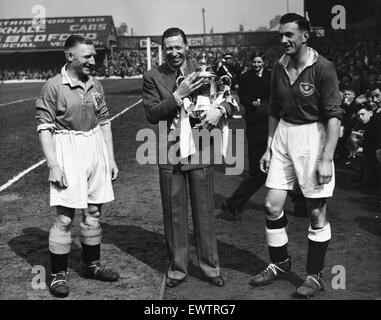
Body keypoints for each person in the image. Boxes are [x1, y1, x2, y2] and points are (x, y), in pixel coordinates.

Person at [249, 13, 343, 298]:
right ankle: (280, 263)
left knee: (316, 211)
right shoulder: (279, 66)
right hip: (283, 135)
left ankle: (315, 276)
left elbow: (334, 118)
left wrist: (326, 158)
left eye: (289, 34)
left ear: (305, 35)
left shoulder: (323, 68)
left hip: (312, 137)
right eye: (281, 35)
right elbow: (274, 111)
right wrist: (268, 147)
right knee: (271, 205)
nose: (283, 40)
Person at [142, 27, 236, 288]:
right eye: (168, 48)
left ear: (187, 46)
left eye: (177, 46)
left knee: (204, 209)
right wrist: (178, 94)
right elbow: (152, 114)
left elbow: (230, 97)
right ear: (163, 49)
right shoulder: (152, 76)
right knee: (173, 211)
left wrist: (220, 110)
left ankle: (210, 266)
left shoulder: (205, 69)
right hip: (169, 146)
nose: (173, 52)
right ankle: (178, 267)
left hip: (201, 144)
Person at [35, 35, 119, 298]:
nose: (93, 61)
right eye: (87, 56)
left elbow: (104, 122)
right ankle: (58, 276)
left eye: (94, 56)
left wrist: (111, 158)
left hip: (94, 146)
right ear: (69, 56)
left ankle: (90, 265)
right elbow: (44, 128)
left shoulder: (96, 84)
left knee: (93, 212)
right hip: (67, 148)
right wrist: (54, 165)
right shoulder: (53, 86)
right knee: (65, 218)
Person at [220, 55, 271, 220]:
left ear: (264, 63)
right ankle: (233, 204)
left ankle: (300, 203)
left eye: (259, 62)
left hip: (272, 119)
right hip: (256, 121)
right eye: (254, 62)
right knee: (259, 172)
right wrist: (251, 103)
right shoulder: (246, 76)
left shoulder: (272, 75)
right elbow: (241, 96)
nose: (256, 64)